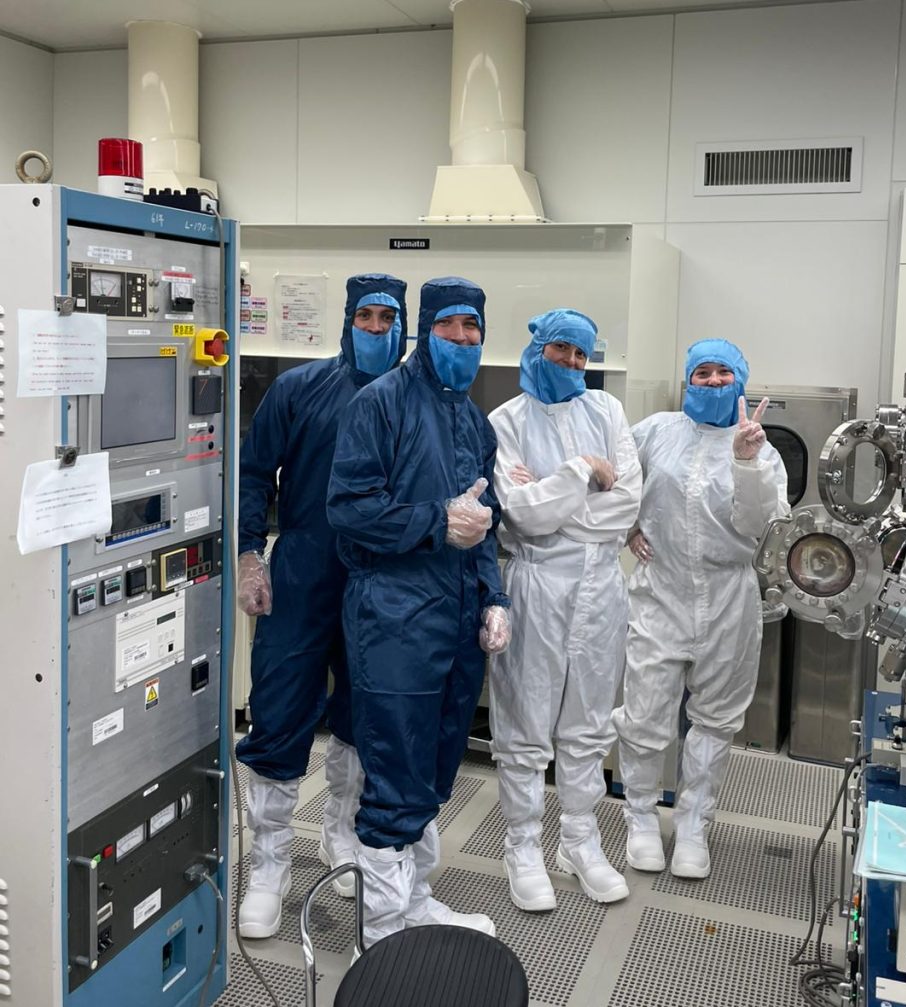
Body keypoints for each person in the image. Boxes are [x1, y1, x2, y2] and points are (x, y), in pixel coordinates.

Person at [326, 276, 511, 948]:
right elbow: (348, 509)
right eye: (449, 326)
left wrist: (494, 597)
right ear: (425, 330)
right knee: (395, 771)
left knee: (433, 770)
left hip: (456, 621)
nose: (462, 339)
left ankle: (415, 902)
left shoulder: (473, 420)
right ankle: (380, 937)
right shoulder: (381, 403)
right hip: (395, 616)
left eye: (472, 328)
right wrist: (436, 522)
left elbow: (482, 522)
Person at [235, 274, 408, 938]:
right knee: (279, 708)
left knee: (366, 714)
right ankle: (270, 863)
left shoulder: (414, 400)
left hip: (383, 578)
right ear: (347, 319)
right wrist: (250, 553)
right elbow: (254, 471)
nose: (376, 329)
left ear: (404, 326)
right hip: (305, 570)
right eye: (366, 316)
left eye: (388, 318)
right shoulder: (299, 389)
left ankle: (343, 834)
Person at [612, 338, 789, 880]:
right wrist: (628, 529)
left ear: (741, 381)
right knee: (644, 715)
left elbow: (762, 526)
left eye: (723, 373)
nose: (712, 382)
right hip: (659, 593)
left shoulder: (762, 449)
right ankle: (641, 819)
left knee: (714, 720)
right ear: (687, 380)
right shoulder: (657, 431)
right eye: (702, 373)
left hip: (728, 598)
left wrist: (746, 462)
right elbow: (619, 485)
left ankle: (692, 826)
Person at [488, 309, 641, 911]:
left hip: (603, 586)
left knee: (589, 722)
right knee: (525, 722)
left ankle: (579, 840)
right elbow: (520, 516)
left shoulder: (607, 411)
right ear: (537, 350)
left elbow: (626, 503)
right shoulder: (506, 421)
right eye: (562, 351)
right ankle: (522, 846)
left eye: (582, 355)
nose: (573, 364)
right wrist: (580, 473)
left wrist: (550, 492)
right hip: (537, 584)